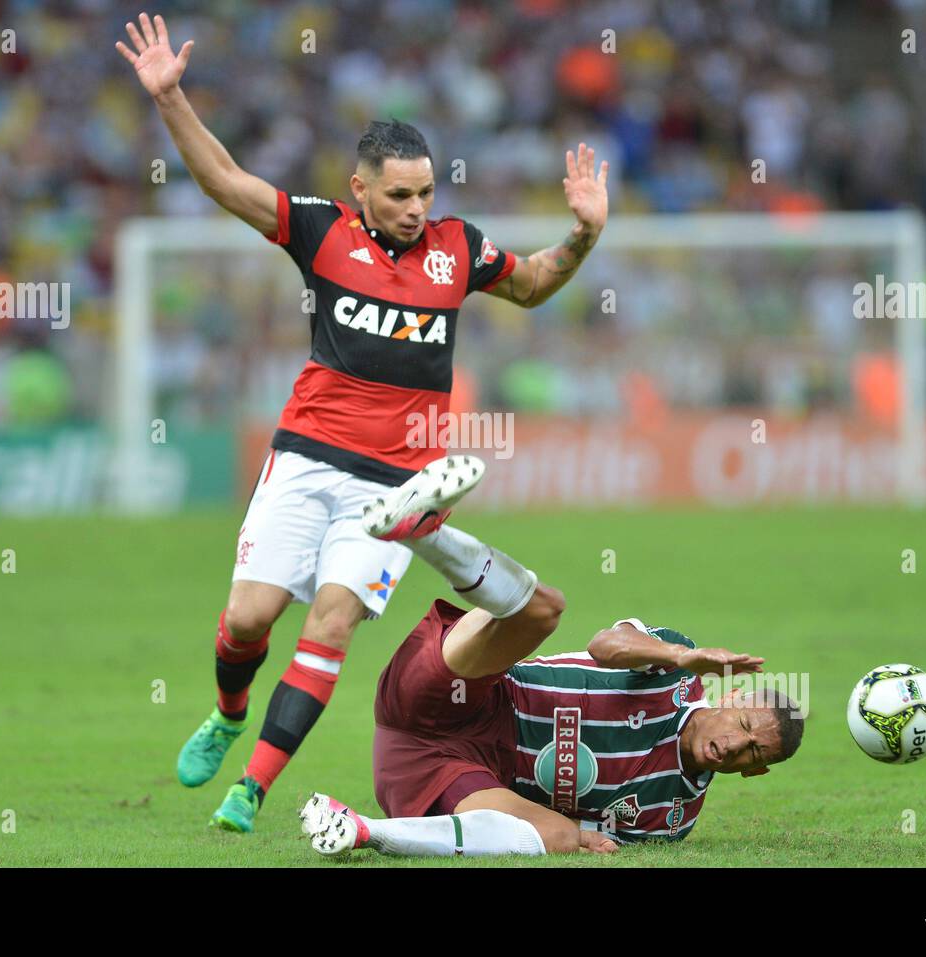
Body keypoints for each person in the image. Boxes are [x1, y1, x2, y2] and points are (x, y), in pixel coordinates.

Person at [115, 13, 610, 833]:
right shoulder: (322, 232)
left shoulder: (460, 248)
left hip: (396, 491)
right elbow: (226, 181)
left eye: (426, 192)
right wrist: (170, 98)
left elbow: (530, 284)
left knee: (333, 622)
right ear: (362, 190)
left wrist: (583, 235)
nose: (418, 208)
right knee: (246, 619)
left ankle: (253, 788)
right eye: (401, 194)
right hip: (306, 459)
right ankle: (230, 710)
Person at [298, 459, 804, 857]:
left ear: (755, 772)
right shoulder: (674, 672)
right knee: (545, 610)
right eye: (742, 723)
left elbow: (588, 836)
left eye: (754, 752)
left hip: (456, 776)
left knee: (558, 840)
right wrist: (682, 655)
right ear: (732, 693)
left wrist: (576, 834)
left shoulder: (673, 818)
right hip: (468, 694)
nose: (735, 744)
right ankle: (425, 532)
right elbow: (606, 645)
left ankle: (360, 830)